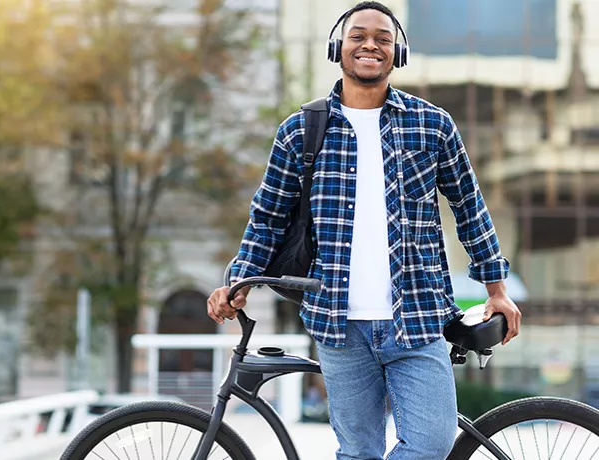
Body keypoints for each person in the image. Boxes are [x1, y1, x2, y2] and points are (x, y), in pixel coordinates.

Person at [207, 2, 522, 458]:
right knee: (357, 453)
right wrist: (239, 281)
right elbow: (268, 217)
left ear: (398, 53)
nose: (370, 44)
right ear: (339, 47)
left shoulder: (431, 126)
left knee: (431, 448)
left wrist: (496, 288)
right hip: (338, 325)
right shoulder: (300, 131)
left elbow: (470, 207)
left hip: (417, 319)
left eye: (383, 38)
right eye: (358, 36)